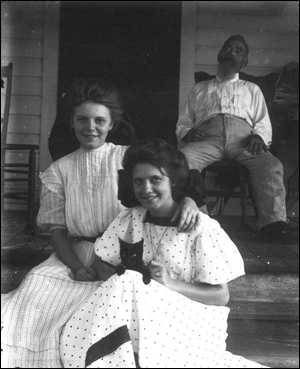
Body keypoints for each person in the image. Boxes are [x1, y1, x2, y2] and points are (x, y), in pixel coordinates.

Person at [1, 79, 202, 368]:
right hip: (76, 251)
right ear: (71, 123)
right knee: (35, 287)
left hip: (126, 251)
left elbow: (176, 175)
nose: (90, 127)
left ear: (111, 124)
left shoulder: (125, 157)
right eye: (82, 119)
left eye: (99, 120)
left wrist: (189, 200)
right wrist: (75, 266)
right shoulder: (59, 170)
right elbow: (57, 229)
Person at [59, 138, 269, 368]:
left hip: (190, 321)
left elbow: (221, 295)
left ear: (174, 182)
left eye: (155, 180)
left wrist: (169, 284)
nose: (145, 189)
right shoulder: (130, 219)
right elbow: (101, 262)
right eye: (138, 181)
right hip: (141, 316)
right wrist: (133, 285)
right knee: (124, 282)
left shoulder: (200, 227)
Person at [176, 34, 296, 244]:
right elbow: (185, 119)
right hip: (207, 138)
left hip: (244, 139)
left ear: (244, 62)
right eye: (228, 49)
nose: (231, 52)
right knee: (183, 158)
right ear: (220, 54)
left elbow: (262, 120)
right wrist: (187, 132)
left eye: (238, 51)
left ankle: (273, 226)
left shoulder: (252, 89)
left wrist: (259, 135)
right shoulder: (200, 88)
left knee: (271, 164)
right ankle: (200, 221)